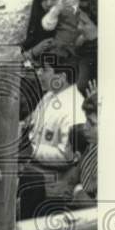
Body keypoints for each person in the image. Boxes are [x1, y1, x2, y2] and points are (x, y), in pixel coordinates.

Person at [25, 41, 86, 200]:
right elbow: (33, 125)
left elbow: (67, 155)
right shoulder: (50, 95)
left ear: (61, 77)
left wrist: (30, 150)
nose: (39, 73)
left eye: (45, 70)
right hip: (34, 167)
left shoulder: (75, 109)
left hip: (53, 178)